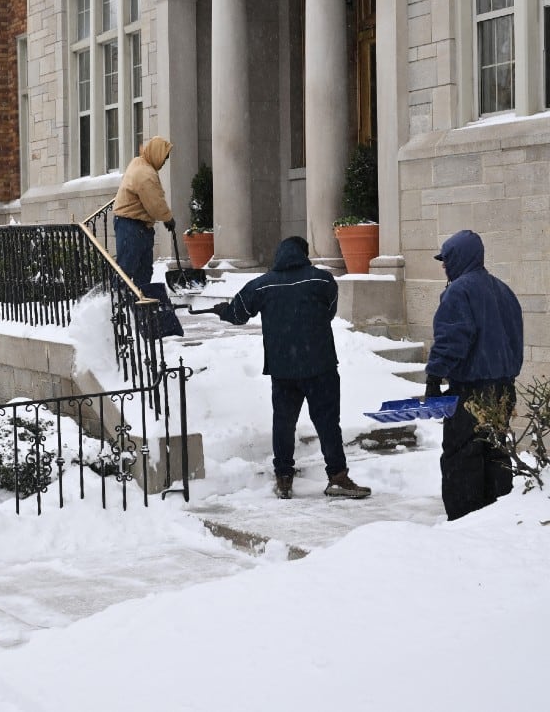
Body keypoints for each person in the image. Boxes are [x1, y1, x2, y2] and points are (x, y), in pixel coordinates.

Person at [210, 236, 371, 500]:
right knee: (328, 423)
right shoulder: (321, 280)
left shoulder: (262, 285)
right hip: (321, 365)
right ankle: (338, 477)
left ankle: (284, 478)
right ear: (303, 254)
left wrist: (224, 310)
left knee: (284, 424)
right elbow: (329, 311)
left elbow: (238, 314)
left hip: (283, 369)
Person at [424, 229, 523, 521]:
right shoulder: (504, 290)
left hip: (471, 393)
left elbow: (452, 339)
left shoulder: (459, 291)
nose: (444, 265)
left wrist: (434, 376)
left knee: (462, 457)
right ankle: (495, 517)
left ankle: (464, 523)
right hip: (504, 390)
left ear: (461, 257)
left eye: (447, 259)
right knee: (495, 452)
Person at [113, 136, 175, 295]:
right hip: (131, 226)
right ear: (156, 154)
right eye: (164, 158)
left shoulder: (140, 163)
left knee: (144, 269)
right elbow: (155, 203)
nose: (164, 162)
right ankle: (117, 305)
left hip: (138, 226)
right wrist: (168, 219)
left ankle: (140, 305)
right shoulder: (145, 173)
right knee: (127, 268)